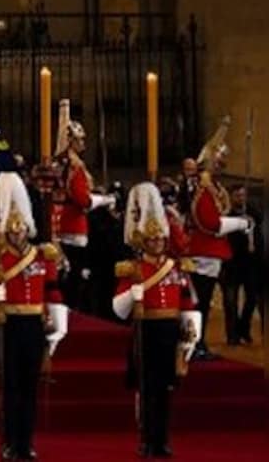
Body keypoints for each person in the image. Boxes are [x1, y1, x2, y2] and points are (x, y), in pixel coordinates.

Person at [0, 172, 69, 462]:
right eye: (11, 230)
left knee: (30, 389)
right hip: (7, 327)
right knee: (10, 387)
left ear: (28, 228)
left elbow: (52, 293)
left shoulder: (43, 256)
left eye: (21, 229)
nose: (16, 234)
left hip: (33, 327)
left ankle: (26, 443)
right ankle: (9, 442)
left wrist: (57, 328)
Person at [112, 182, 202, 459]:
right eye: (152, 240)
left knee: (165, 390)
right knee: (147, 388)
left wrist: (191, 333)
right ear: (143, 241)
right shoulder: (133, 269)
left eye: (160, 239)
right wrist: (132, 295)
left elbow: (187, 301)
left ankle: (162, 439)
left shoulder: (175, 268)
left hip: (170, 331)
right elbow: (118, 309)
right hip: (146, 329)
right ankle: (147, 438)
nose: (157, 243)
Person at [185, 117, 254, 360]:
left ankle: (199, 343)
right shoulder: (203, 191)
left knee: (204, 303)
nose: (221, 166)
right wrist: (240, 223)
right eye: (219, 162)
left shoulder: (213, 188)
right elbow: (211, 224)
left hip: (211, 252)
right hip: (203, 250)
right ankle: (195, 344)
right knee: (200, 303)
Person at [50, 99, 117, 313]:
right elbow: (84, 201)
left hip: (57, 222)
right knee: (76, 276)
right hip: (74, 225)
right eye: (80, 140)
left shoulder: (57, 163)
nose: (84, 145)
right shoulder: (75, 167)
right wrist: (106, 200)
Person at [222, 184, 262, 346]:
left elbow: (259, 222)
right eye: (238, 195)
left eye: (243, 195)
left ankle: (244, 328)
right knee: (230, 301)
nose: (241, 198)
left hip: (250, 264)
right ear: (231, 197)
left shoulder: (252, 212)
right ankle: (232, 335)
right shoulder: (226, 214)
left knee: (252, 298)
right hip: (231, 264)